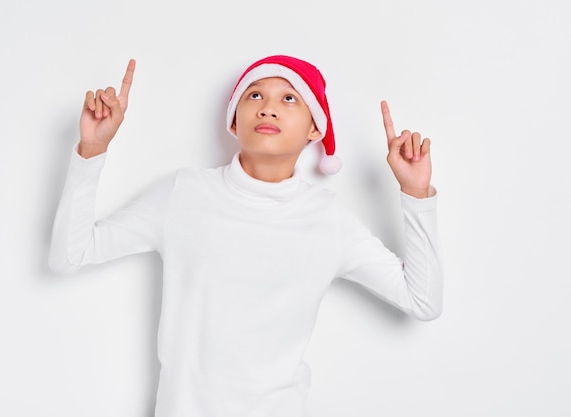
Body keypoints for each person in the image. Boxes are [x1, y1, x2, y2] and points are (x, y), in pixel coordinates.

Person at [49, 55, 443, 417]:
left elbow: (423, 301)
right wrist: (92, 148)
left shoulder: (329, 220)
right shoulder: (184, 193)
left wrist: (416, 194)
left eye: (290, 98)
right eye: (255, 94)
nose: (268, 106)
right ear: (234, 122)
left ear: (314, 129)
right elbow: (70, 255)